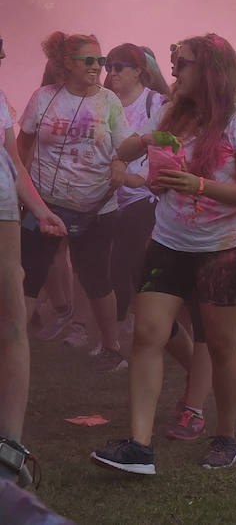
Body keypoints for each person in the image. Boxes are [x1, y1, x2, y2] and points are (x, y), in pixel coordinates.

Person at [92, 34, 236, 474]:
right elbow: (150, 161)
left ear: (210, 70)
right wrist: (157, 175)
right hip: (169, 241)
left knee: (223, 345)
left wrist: (202, 186)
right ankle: (139, 446)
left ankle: (226, 438)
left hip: (223, 250)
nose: (174, 71)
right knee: (148, 333)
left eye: (183, 64)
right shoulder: (178, 115)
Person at [19, 32, 132, 373]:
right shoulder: (43, 98)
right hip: (44, 205)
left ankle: (112, 348)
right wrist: (22, 193)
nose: (98, 67)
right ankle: (14, 347)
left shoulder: (109, 102)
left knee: (95, 279)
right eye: (89, 60)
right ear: (66, 64)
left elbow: (125, 147)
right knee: (29, 275)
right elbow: (21, 148)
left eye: (100, 61)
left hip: (95, 208)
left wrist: (118, 163)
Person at [0, 30, 68, 488]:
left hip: (1, 208)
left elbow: (13, 162)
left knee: (11, 320)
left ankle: (9, 447)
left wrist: (42, 211)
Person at [104, 44, 171, 328]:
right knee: (119, 263)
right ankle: (131, 316)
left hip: (144, 196)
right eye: (108, 66)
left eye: (118, 67)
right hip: (110, 196)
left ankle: (127, 322)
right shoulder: (105, 101)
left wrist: (140, 178)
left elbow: (166, 146)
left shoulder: (155, 103)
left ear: (139, 71)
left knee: (124, 263)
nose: (111, 72)